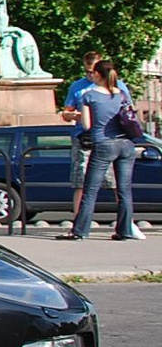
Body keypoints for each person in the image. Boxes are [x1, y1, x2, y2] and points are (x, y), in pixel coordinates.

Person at [67, 59, 144, 240]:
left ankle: (80, 231)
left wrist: (77, 116)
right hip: (126, 145)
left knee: (90, 190)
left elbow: (86, 125)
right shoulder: (122, 94)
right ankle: (124, 230)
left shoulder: (90, 95)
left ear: (98, 75)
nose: (91, 75)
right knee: (124, 190)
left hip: (103, 144)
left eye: (93, 72)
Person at [61, 51, 121, 223]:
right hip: (85, 138)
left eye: (93, 71)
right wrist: (72, 116)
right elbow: (67, 113)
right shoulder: (78, 87)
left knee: (116, 182)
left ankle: (125, 222)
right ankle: (79, 221)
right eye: (87, 71)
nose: (90, 75)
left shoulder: (117, 87)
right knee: (81, 182)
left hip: (109, 137)